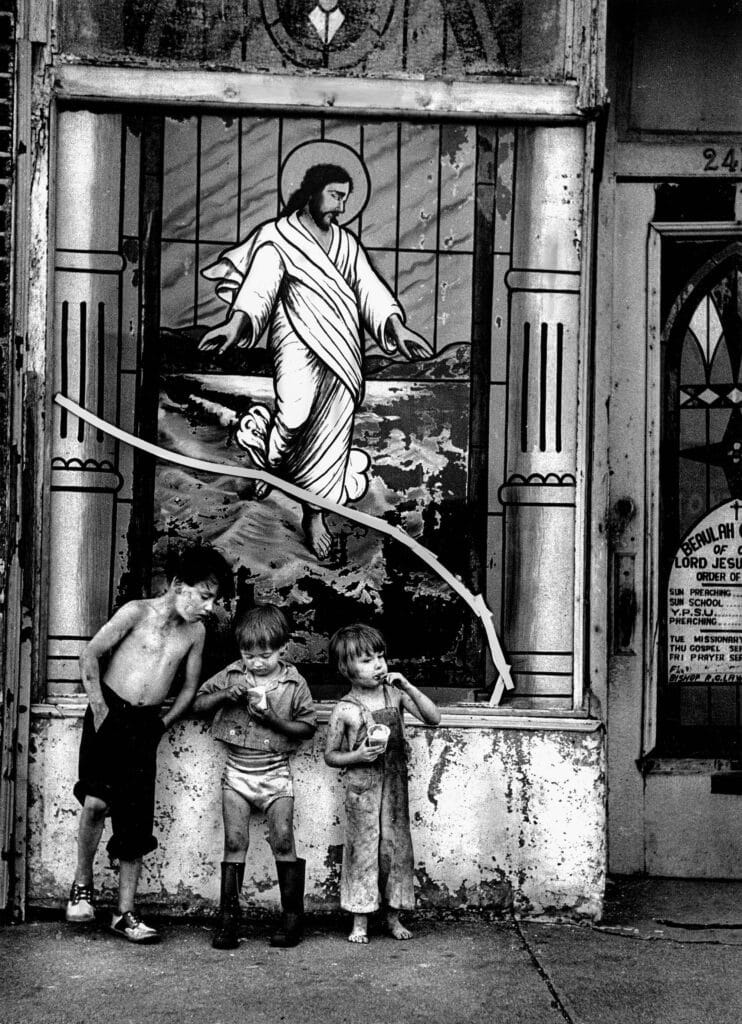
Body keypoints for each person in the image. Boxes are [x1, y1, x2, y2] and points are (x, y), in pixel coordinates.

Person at [199, 162, 433, 560]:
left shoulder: (345, 244)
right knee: (293, 415)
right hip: (295, 342)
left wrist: (396, 328)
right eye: (335, 195)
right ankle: (272, 466)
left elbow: (369, 290)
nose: (340, 206)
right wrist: (236, 325)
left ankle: (314, 511)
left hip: (341, 350)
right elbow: (260, 283)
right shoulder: (278, 236)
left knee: (330, 434)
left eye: (345, 198)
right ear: (312, 191)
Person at [65, 544, 233, 944]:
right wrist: (100, 709)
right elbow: (90, 655)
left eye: (215, 600)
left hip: (146, 724)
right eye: (204, 596)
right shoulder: (136, 613)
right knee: (95, 802)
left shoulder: (196, 632)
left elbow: (190, 687)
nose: (208, 607)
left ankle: (125, 913)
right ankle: (82, 886)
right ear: (178, 585)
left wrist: (162, 724)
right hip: (110, 712)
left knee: (135, 821)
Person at [193, 603, 317, 949]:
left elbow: (307, 727)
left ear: (282, 649)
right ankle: (229, 921)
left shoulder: (294, 682)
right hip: (236, 775)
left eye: (264, 655)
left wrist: (272, 719)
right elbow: (198, 704)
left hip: (276, 775)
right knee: (234, 843)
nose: (256, 662)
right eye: (248, 655)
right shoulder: (233, 674)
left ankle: (292, 920)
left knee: (282, 841)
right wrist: (224, 694)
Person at [324, 623, 441, 943]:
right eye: (366, 660)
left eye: (380, 656)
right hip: (363, 789)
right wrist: (358, 755)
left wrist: (408, 684)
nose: (378, 664)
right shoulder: (345, 708)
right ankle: (359, 920)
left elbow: (433, 718)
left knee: (395, 849)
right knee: (363, 852)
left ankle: (393, 916)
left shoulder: (396, 694)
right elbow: (331, 756)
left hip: (394, 788)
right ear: (345, 668)